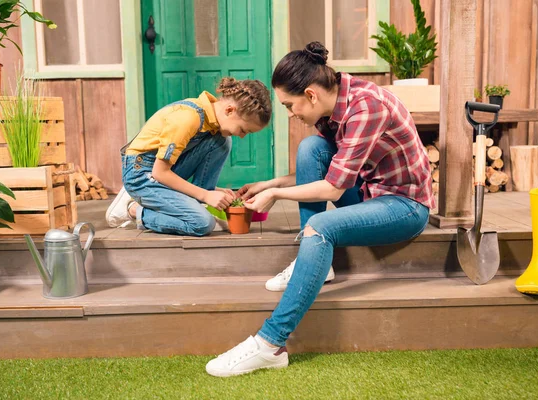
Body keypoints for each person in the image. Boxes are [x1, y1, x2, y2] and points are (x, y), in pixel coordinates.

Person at [205, 42, 435, 377]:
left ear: (310, 95)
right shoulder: (332, 106)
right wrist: (271, 184)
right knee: (311, 147)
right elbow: (336, 171)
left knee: (322, 227)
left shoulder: (366, 107)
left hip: (403, 206)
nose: (290, 113)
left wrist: (277, 196)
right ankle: (314, 263)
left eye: (289, 104)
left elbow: (333, 188)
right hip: (368, 194)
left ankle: (270, 344)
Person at [105, 77, 272, 236]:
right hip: (142, 175)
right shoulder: (187, 118)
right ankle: (133, 209)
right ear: (229, 110)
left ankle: (200, 203)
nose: (242, 136)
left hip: (160, 171)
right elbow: (160, 172)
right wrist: (206, 195)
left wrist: (214, 191)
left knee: (221, 141)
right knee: (201, 223)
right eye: (243, 130)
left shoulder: (210, 120)